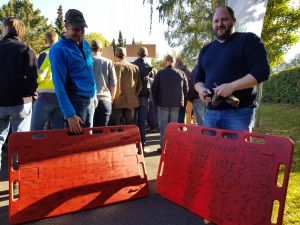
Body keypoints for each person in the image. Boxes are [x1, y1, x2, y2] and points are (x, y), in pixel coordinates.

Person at [194, 6, 270, 132]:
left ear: (234, 21)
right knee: (210, 152)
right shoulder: (206, 50)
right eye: (216, 21)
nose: (219, 24)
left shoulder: (248, 40)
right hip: (210, 113)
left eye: (224, 20)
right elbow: (197, 79)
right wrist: (201, 90)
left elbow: (262, 71)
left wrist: (232, 86)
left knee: (238, 152)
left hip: (240, 112)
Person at [49, 9, 97, 134]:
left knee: (89, 142)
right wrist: (70, 114)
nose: (80, 33)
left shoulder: (85, 44)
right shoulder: (58, 50)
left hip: (90, 101)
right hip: (76, 103)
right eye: (76, 29)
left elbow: (89, 71)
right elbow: (59, 85)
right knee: (78, 146)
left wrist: (94, 94)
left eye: (82, 29)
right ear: (66, 26)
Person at [0, 18, 38, 170]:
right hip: (21, 102)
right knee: (20, 141)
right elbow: (32, 77)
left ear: (6, 29)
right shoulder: (26, 49)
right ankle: (18, 175)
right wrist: (31, 94)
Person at [152, 55, 188, 151]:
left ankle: (163, 146)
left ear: (166, 61)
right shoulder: (181, 73)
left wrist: (156, 101)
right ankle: (173, 145)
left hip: (163, 102)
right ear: (173, 62)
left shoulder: (160, 73)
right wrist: (183, 100)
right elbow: (186, 89)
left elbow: (154, 88)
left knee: (163, 125)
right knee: (173, 125)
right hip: (176, 103)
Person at [31, 31, 64, 130]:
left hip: (45, 98)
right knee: (58, 132)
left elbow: (39, 76)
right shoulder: (64, 55)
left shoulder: (45, 54)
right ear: (58, 41)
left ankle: (38, 146)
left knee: (35, 131)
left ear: (45, 41)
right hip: (61, 98)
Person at [111, 47, 142, 125]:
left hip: (116, 102)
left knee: (115, 128)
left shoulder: (112, 66)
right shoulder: (135, 68)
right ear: (125, 55)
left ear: (115, 55)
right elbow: (139, 87)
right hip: (130, 101)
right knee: (130, 127)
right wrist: (133, 95)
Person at [91, 39, 117, 127]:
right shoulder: (108, 62)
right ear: (101, 50)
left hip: (90, 100)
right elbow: (113, 83)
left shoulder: (86, 62)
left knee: (90, 133)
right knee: (103, 134)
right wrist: (112, 98)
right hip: (105, 99)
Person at [132, 47, 153, 148]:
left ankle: (133, 141)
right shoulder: (148, 67)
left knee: (133, 120)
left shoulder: (132, 65)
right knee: (142, 121)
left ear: (137, 53)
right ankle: (142, 142)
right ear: (146, 54)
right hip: (144, 96)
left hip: (134, 96)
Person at [175, 57, 190, 123]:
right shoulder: (187, 70)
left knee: (175, 113)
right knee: (182, 112)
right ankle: (181, 128)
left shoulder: (174, 70)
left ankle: (176, 128)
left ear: (177, 62)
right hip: (184, 95)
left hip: (175, 95)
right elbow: (189, 82)